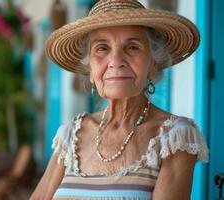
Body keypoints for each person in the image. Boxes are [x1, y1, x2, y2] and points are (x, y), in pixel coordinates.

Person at [30, 0, 209, 199]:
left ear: (153, 64)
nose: (116, 61)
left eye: (132, 47)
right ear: (90, 69)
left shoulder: (174, 138)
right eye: (102, 48)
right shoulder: (70, 135)